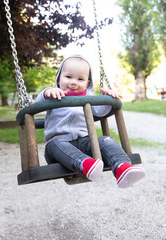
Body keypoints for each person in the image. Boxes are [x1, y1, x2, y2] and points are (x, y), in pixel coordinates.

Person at [35, 55, 146, 188]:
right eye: (68, 77)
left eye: (80, 79)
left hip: (85, 143)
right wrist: (47, 92)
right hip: (58, 148)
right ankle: (85, 165)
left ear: (88, 83)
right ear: (59, 78)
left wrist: (108, 97)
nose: (74, 82)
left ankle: (122, 168)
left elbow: (101, 111)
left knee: (106, 140)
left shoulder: (89, 99)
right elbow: (37, 104)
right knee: (55, 143)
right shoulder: (54, 96)